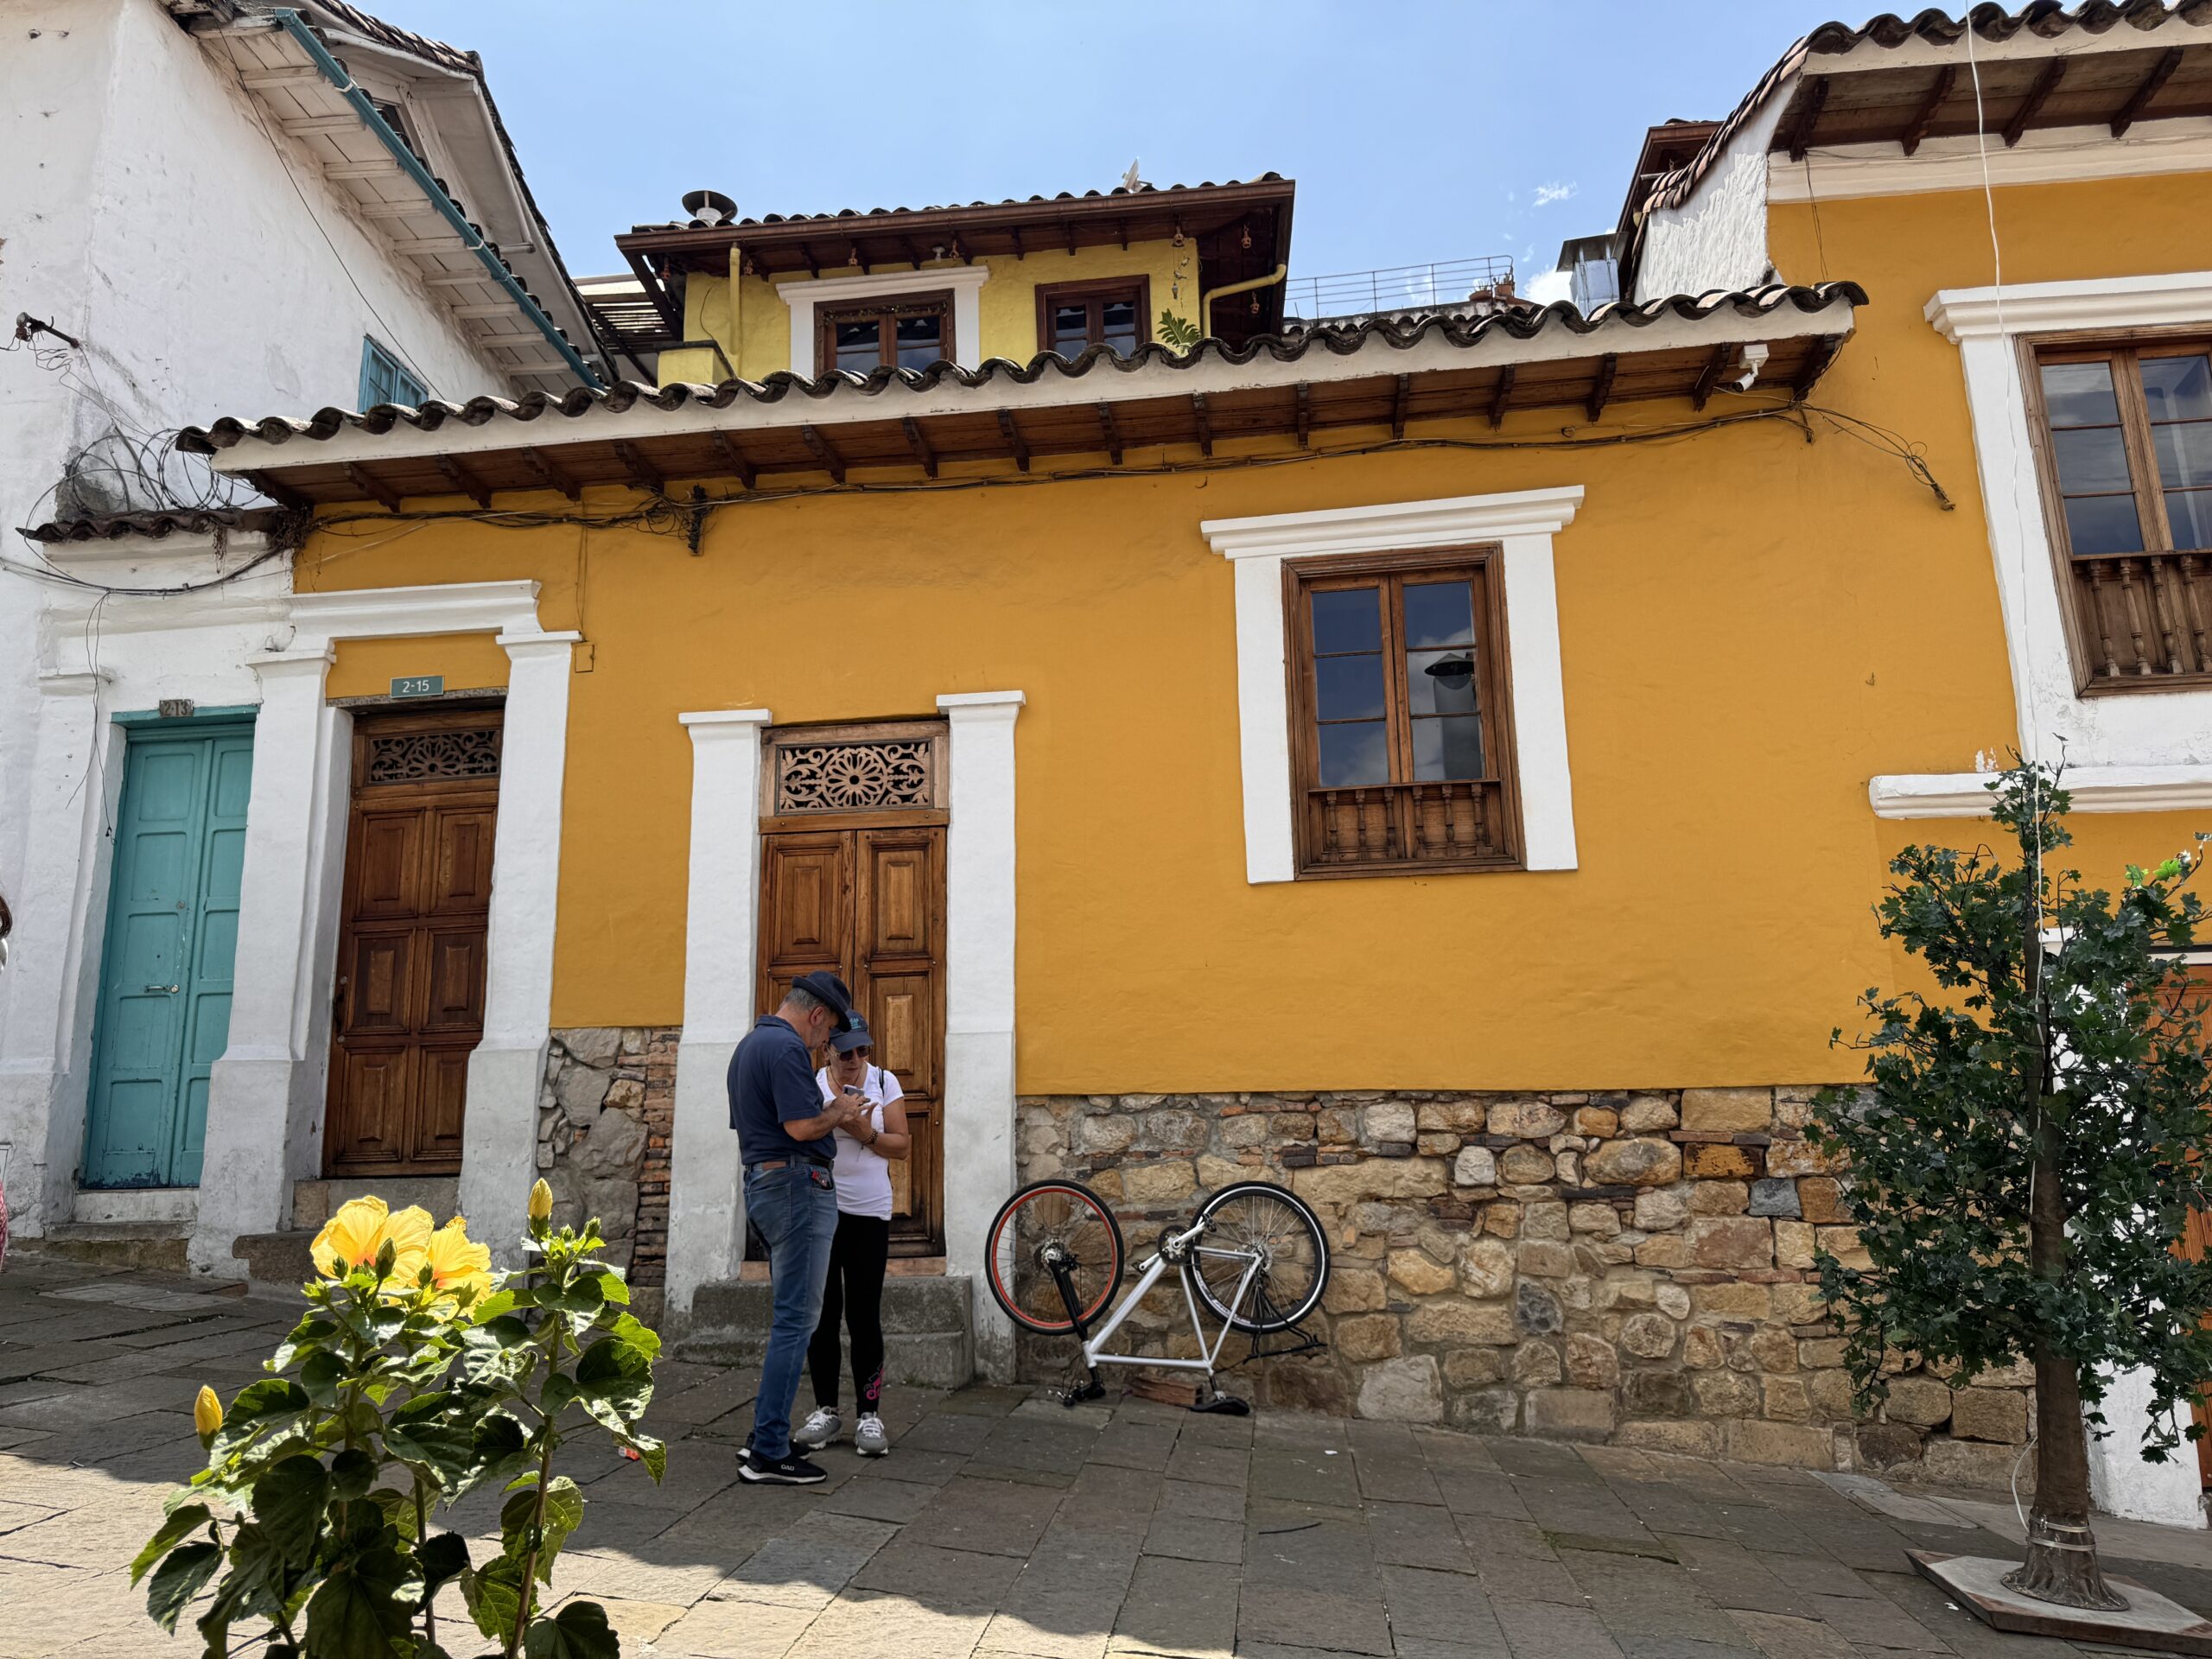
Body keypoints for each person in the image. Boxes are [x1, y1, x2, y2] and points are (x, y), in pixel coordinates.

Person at [727, 969, 863, 1485]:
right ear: (817, 1014)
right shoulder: (786, 1049)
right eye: (826, 1035)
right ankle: (768, 1452)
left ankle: (764, 1437)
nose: (824, 1044)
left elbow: (756, 1126)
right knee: (795, 1323)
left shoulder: (749, 1046)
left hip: (765, 1185)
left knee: (789, 1319)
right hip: (797, 1188)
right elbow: (800, 1128)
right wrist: (841, 1109)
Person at [794, 1015, 908, 1459]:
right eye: (846, 1052)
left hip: (869, 1211)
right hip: (820, 1209)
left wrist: (866, 1132)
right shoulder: (812, 1085)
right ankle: (825, 1410)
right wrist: (834, 1117)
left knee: (864, 1313)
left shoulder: (884, 1080)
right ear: (827, 1050)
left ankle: (869, 1414)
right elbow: (799, 1138)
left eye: (863, 1050)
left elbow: (902, 1145)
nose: (856, 1060)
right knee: (822, 1313)